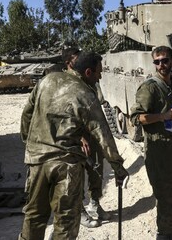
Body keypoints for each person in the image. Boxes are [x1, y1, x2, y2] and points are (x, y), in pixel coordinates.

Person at [19, 52, 128, 240]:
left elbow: (27, 115)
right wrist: (118, 167)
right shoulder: (86, 94)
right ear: (88, 72)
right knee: (66, 221)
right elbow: (103, 135)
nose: (100, 77)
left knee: (34, 217)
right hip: (65, 166)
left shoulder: (47, 80)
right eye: (98, 73)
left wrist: (31, 144)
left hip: (37, 161)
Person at [130, 46, 172, 240]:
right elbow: (136, 118)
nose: (161, 65)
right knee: (166, 193)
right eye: (157, 62)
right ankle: (163, 234)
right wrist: (163, 116)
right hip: (158, 148)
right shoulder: (150, 87)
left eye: (165, 61)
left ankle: (168, 228)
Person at [61, 47, 111, 225]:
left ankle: (95, 203)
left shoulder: (89, 81)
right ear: (68, 63)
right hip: (76, 137)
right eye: (76, 60)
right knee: (77, 174)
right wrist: (80, 137)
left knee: (97, 169)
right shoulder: (64, 84)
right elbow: (65, 117)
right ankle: (80, 209)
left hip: (92, 133)